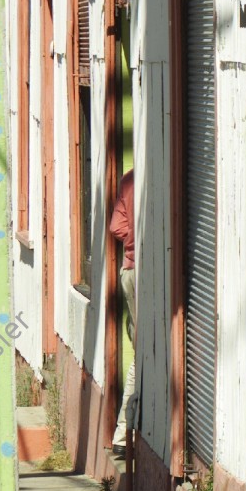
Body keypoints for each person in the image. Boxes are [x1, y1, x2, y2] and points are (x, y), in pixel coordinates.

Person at [109, 168, 137, 455]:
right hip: (150, 269)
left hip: (129, 269)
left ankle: (122, 434)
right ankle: (124, 432)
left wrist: (132, 241)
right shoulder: (166, 174)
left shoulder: (129, 178)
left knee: (140, 353)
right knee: (147, 355)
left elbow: (117, 227)